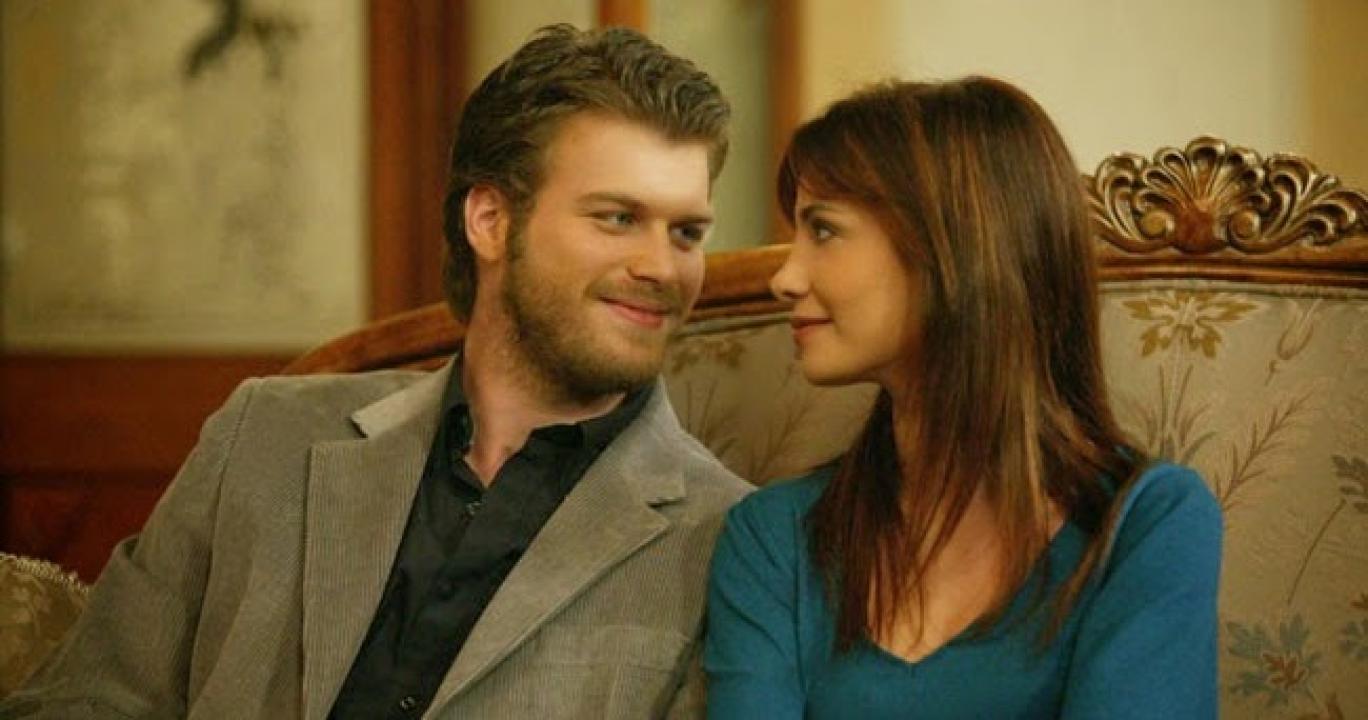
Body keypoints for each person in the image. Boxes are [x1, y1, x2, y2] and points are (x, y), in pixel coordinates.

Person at [4, 24, 750, 719]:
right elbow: (87, 701)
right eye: (618, 218)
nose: (662, 267)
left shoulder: (734, 541)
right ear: (490, 221)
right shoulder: (265, 434)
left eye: (687, 232)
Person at [704, 77, 1223, 718]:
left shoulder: (1145, 523)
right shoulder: (772, 538)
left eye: (825, 230)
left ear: (950, 247)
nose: (784, 278)